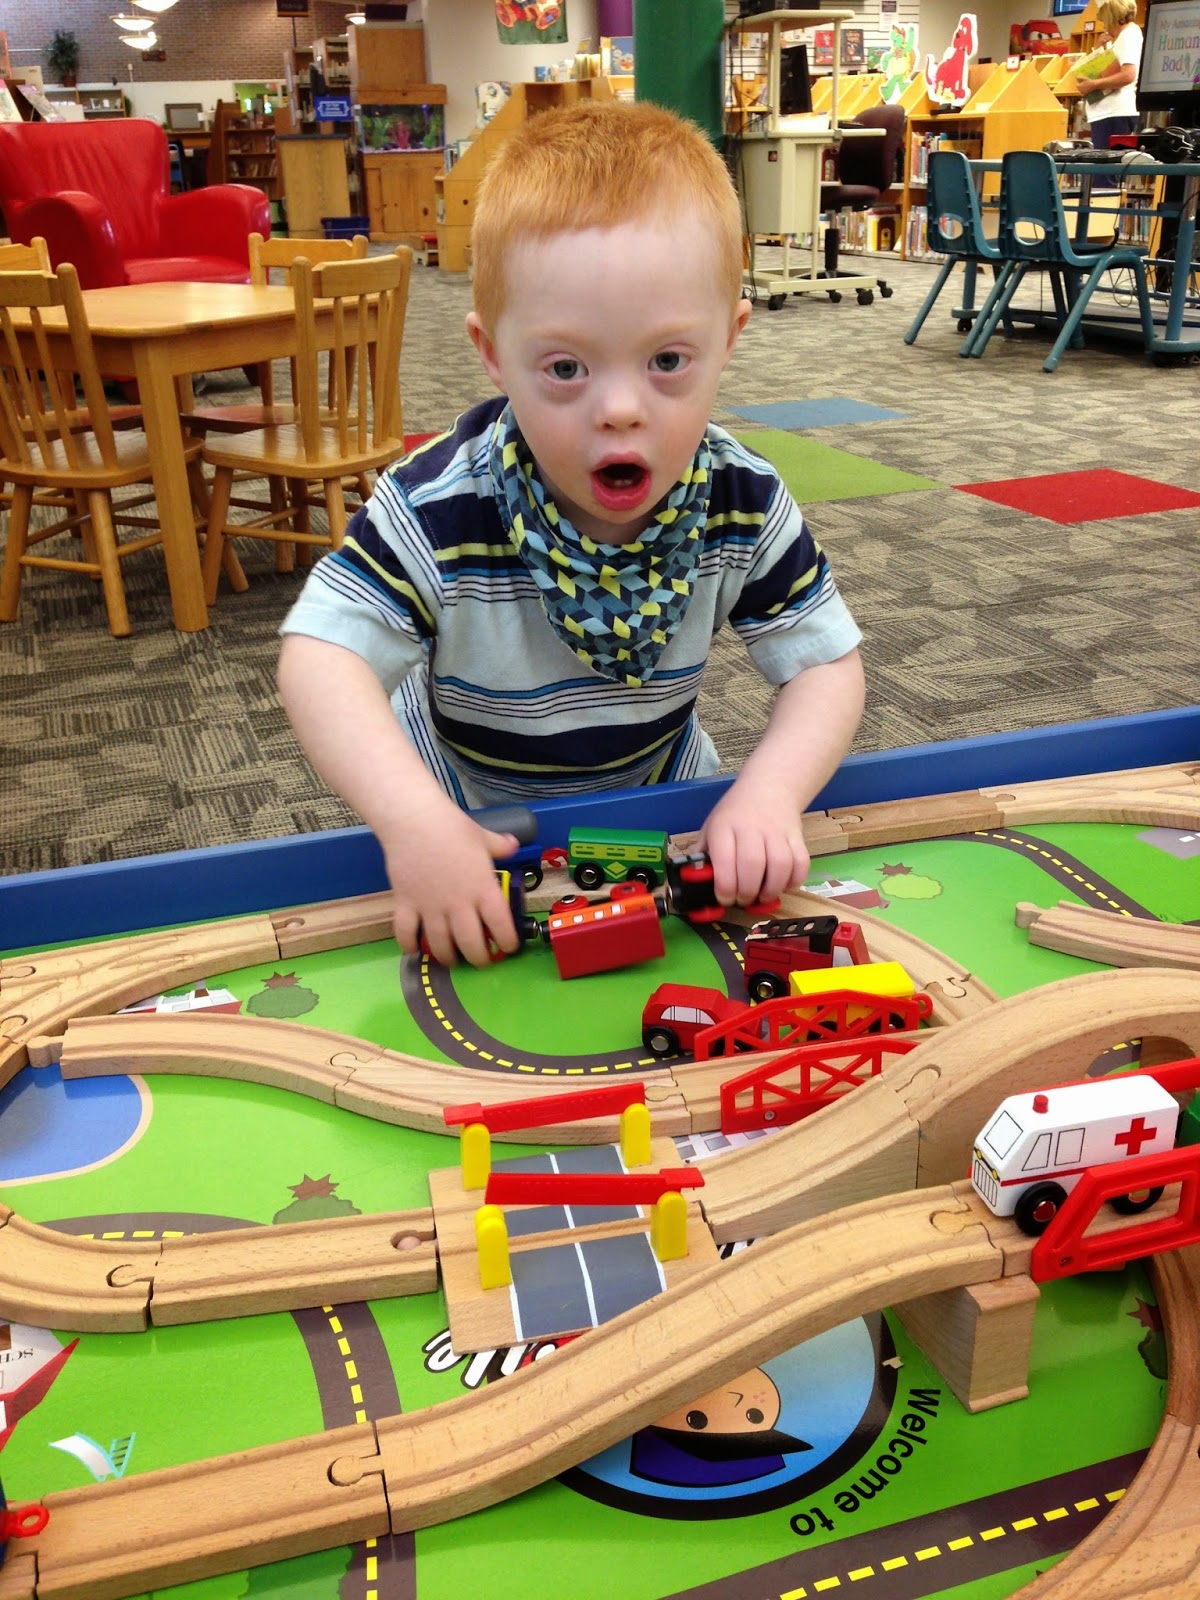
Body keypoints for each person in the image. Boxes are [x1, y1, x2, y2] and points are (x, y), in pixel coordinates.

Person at [277, 99, 865, 969]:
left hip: (660, 797)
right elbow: (320, 658)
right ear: (492, 354)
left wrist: (770, 794)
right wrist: (414, 822)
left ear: (729, 339)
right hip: (467, 813)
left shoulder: (740, 496)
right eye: (564, 368)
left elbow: (826, 664)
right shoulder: (437, 505)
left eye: (668, 361)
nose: (621, 409)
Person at [1083, 0, 1143, 150]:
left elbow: (1128, 75)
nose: (1105, 27)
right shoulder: (1122, 38)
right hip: (1107, 114)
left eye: (1105, 22)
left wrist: (1093, 85)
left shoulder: (1129, 35)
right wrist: (1098, 48)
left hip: (1114, 114)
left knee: (1107, 163)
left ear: (1112, 17)